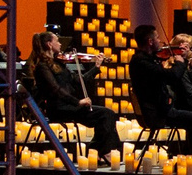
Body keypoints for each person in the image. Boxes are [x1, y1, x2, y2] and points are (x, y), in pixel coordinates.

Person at [27, 30, 123, 158]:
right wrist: (78, 102)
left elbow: (79, 80)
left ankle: (98, 151)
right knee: (106, 115)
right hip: (58, 109)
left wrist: (96, 67)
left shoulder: (58, 64)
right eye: (57, 41)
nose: (60, 44)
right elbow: (56, 90)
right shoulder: (42, 67)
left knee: (107, 115)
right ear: (49, 44)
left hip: (70, 107)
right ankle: (101, 152)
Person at [130, 23, 192, 147]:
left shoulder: (145, 59)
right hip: (159, 114)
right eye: (157, 38)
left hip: (161, 110)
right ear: (150, 41)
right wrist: (181, 61)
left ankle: (190, 154)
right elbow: (172, 77)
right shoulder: (142, 62)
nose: (160, 41)